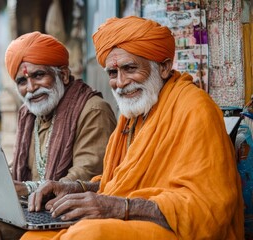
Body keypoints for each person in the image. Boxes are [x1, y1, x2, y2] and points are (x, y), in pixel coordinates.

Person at [14, 16, 243, 239]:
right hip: (133, 218)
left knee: (89, 235)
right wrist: (75, 188)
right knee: (35, 236)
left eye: (130, 69)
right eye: (113, 73)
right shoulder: (133, 116)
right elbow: (116, 184)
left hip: (179, 228)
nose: (121, 83)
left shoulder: (195, 109)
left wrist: (118, 207)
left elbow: (206, 209)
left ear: (163, 67)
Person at [0, 31, 117, 239]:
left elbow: (87, 175)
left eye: (38, 76)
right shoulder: (29, 114)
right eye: (22, 81)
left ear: (63, 75)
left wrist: (27, 189)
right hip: (31, 208)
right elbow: (21, 167)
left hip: (65, 213)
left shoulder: (93, 110)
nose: (31, 88)